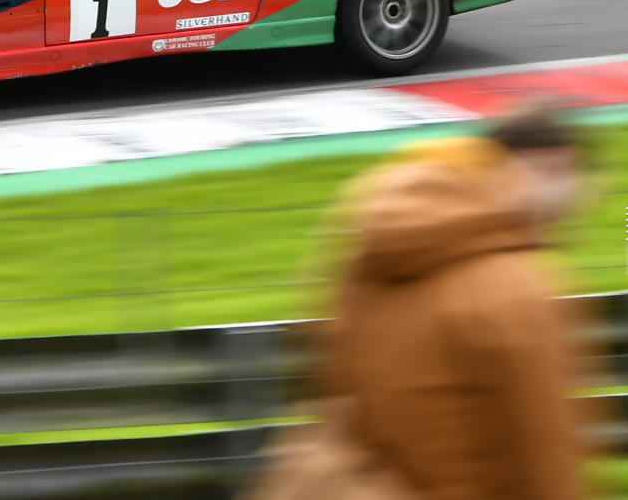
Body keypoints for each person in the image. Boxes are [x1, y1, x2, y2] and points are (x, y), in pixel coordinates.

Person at [252, 107, 587, 500]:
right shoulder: (516, 288)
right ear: (543, 167)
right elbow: (543, 455)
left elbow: (331, 384)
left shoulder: (363, 259)